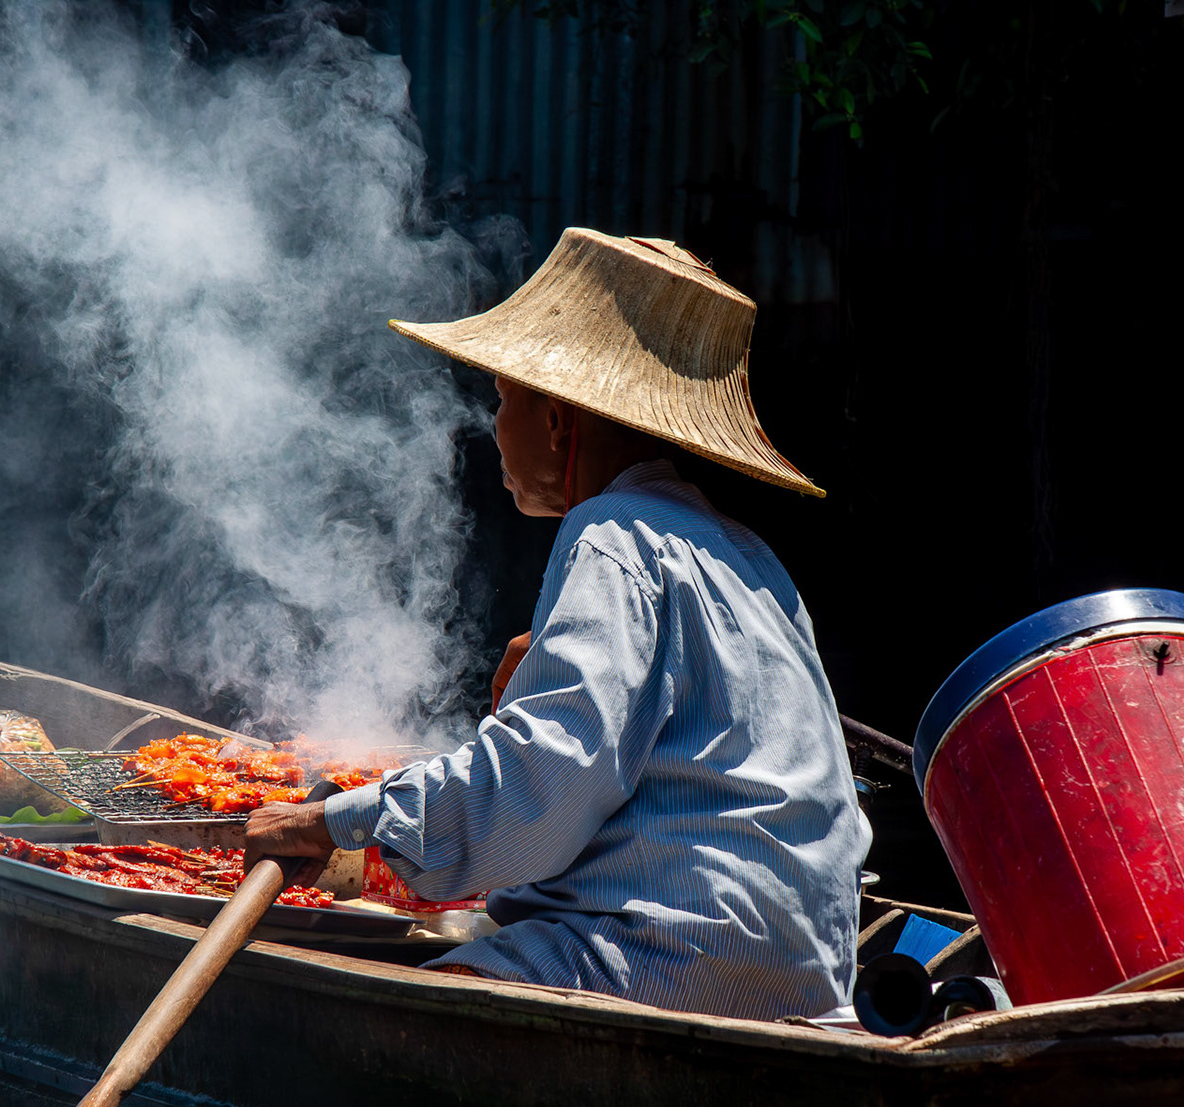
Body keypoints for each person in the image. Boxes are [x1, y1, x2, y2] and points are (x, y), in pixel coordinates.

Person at [245, 228, 870, 1021]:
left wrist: (329, 820)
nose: (494, 426)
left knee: (377, 1018)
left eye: (505, 399)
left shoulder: (609, 533)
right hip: (810, 977)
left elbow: (537, 790)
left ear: (557, 418)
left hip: (665, 957)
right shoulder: (747, 556)